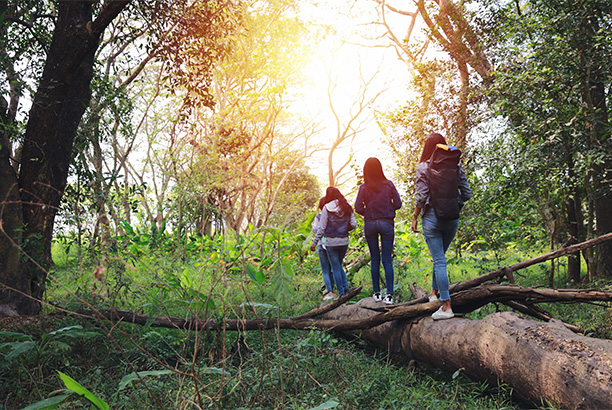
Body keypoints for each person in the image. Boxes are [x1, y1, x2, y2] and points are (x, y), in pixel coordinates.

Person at [411, 133, 472, 320]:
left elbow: (421, 197)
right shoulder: (455, 165)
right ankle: (433, 293)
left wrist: (415, 216)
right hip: (452, 219)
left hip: (431, 218)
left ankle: (446, 306)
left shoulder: (423, 167)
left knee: (439, 261)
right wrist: (454, 203)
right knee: (441, 259)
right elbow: (467, 193)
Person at [354, 158, 402, 305]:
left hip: (370, 224)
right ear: (380, 169)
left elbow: (357, 207)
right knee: (387, 260)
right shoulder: (389, 184)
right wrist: (388, 209)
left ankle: (376, 293)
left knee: (375, 259)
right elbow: (398, 204)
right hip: (387, 223)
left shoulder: (364, 187)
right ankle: (389, 295)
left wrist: (367, 212)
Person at [310, 187, 356, 297]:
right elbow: (354, 224)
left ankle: (341, 293)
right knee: (338, 266)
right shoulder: (347, 207)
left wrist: (314, 242)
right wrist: (344, 228)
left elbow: (321, 228)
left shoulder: (327, 208)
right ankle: (346, 289)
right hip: (344, 241)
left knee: (335, 267)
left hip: (330, 243)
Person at [312, 197, 336, 301]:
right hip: (333, 244)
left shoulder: (318, 216)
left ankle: (329, 292)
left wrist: (314, 226)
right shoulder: (333, 216)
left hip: (322, 245)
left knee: (325, 270)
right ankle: (334, 291)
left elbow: (315, 230)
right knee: (333, 269)